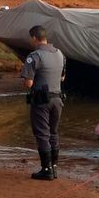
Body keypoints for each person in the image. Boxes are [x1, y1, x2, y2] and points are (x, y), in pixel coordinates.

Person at [21, 25, 66, 181]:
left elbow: (28, 83)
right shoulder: (60, 54)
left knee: (42, 134)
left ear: (34, 38)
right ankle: (53, 168)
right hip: (58, 99)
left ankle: (46, 169)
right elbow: (62, 78)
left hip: (41, 100)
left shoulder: (34, 56)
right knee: (53, 133)